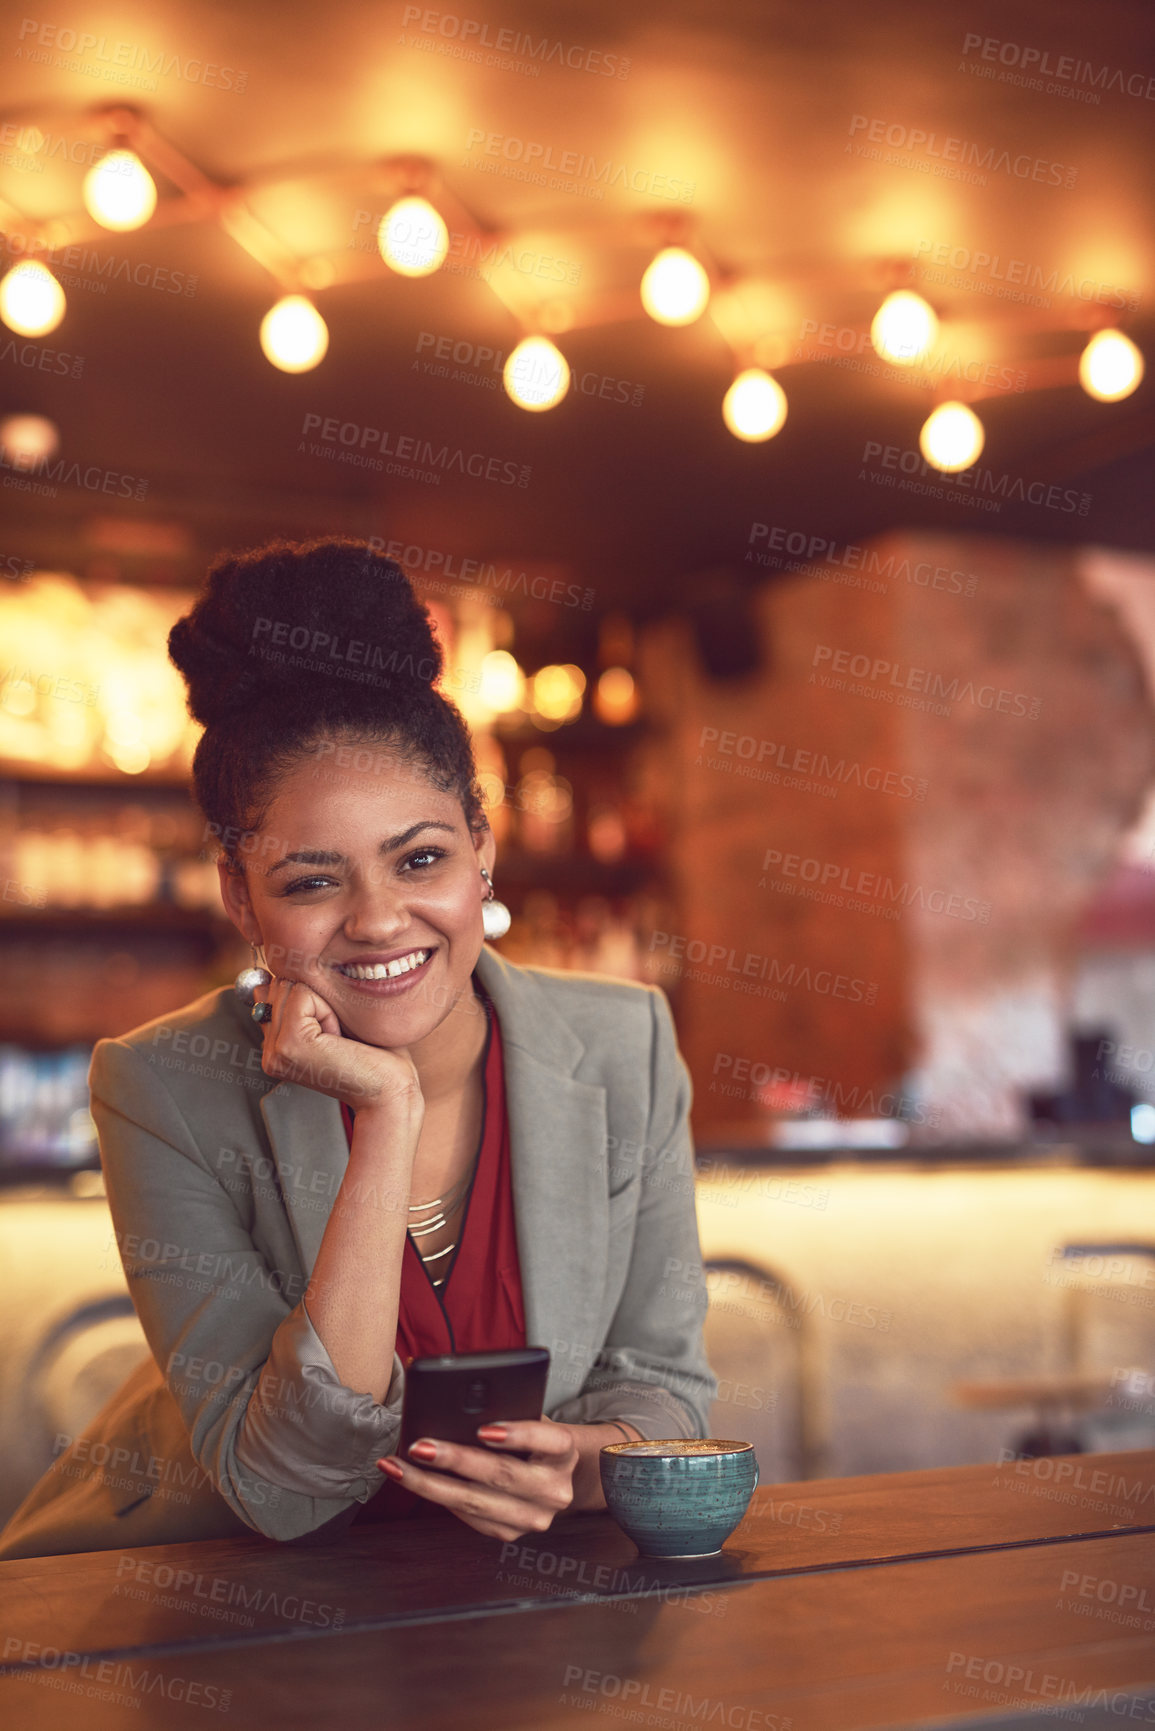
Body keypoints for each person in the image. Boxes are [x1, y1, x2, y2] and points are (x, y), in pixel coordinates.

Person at [0, 537, 715, 1560]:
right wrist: (386, 1117)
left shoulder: (623, 1041)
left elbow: (665, 1384)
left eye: (420, 858)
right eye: (310, 881)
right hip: (206, 1601)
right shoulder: (160, 1086)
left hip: (510, 1613)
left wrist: (584, 1461)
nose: (380, 922)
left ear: (483, 849)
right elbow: (278, 1481)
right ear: (239, 896)